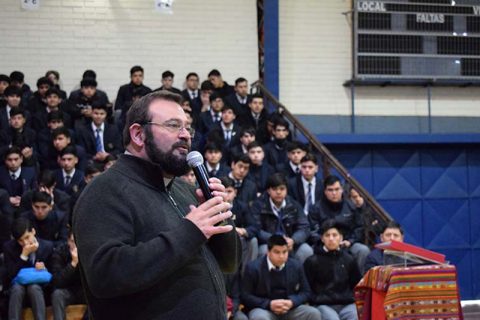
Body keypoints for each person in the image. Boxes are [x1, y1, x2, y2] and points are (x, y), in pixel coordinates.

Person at [73, 90, 241, 319]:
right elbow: (105, 275)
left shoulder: (186, 190)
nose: (185, 135)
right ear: (139, 135)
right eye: (173, 125)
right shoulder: (105, 191)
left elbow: (229, 263)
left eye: (187, 127)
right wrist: (189, 232)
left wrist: (219, 213)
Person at [240, 235, 321, 320]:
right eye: (277, 252)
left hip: (290, 309)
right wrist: (269, 304)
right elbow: (245, 295)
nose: (281, 256)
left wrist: (292, 302)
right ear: (268, 252)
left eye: (284, 252)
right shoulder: (253, 267)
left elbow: (306, 292)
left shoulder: (296, 265)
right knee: (259, 317)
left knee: (313, 313)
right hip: (264, 309)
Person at [309, 175, 370, 272]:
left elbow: (359, 228)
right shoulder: (316, 208)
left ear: (342, 190)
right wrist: (326, 242)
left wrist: (350, 241)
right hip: (324, 244)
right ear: (325, 192)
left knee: (363, 250)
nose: (334, 193)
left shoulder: (351, 206)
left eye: (337, 189)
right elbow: (313, 232)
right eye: (330, 190)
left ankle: (358, 283)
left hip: (346, 243)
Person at [304, 219, 361, 320]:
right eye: (327, 235)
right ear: (322, 239)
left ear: (341, 238)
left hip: (347, 304)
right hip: (323, 305)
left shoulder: (349, 259)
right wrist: (314, 300)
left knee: (356, 316)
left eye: (335, 235)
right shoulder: (312, 261)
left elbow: (357, 285)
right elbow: (307, 288)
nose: (331, 239)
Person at [251, 173, 313, 263]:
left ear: (286, 190)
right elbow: (255, 229)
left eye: (282, 189)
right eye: (275, 189)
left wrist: (293, 240)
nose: (278, 192)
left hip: (290, 243)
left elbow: (304, 227)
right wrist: (275, 240)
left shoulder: (294, 205)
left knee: (306, 251)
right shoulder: (258, 205)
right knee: (264, 251)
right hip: (268, 243)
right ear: (268, 190)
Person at [3, 217, 54, 320]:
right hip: (17, 291)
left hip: (41, 291)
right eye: (20, 240)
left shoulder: (47, 246)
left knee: (34, 287)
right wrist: (24, 255)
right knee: (17, 289)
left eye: (27, 237)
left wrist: (44, 269)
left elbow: (54, 274)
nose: (25, 243)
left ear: (33, 231)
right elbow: (10, 275)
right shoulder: (9, 247)